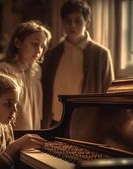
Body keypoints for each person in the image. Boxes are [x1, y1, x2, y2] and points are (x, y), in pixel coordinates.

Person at [41, 0, 114, 128]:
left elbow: (109, 92)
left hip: (87, 122)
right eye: (68, 21)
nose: (72, 26)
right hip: (54, 121)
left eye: (78, 21)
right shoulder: (52, 54)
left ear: (87, 22)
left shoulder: (101, 54)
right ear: (62, 23)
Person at [0, 20, 51, 130]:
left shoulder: (37, 70)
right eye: (35, 44)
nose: (39, 50)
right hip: (11, 134)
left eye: (42, 46)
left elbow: (37, 108)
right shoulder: (3, 70)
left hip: (32, 133)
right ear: (18, 43)